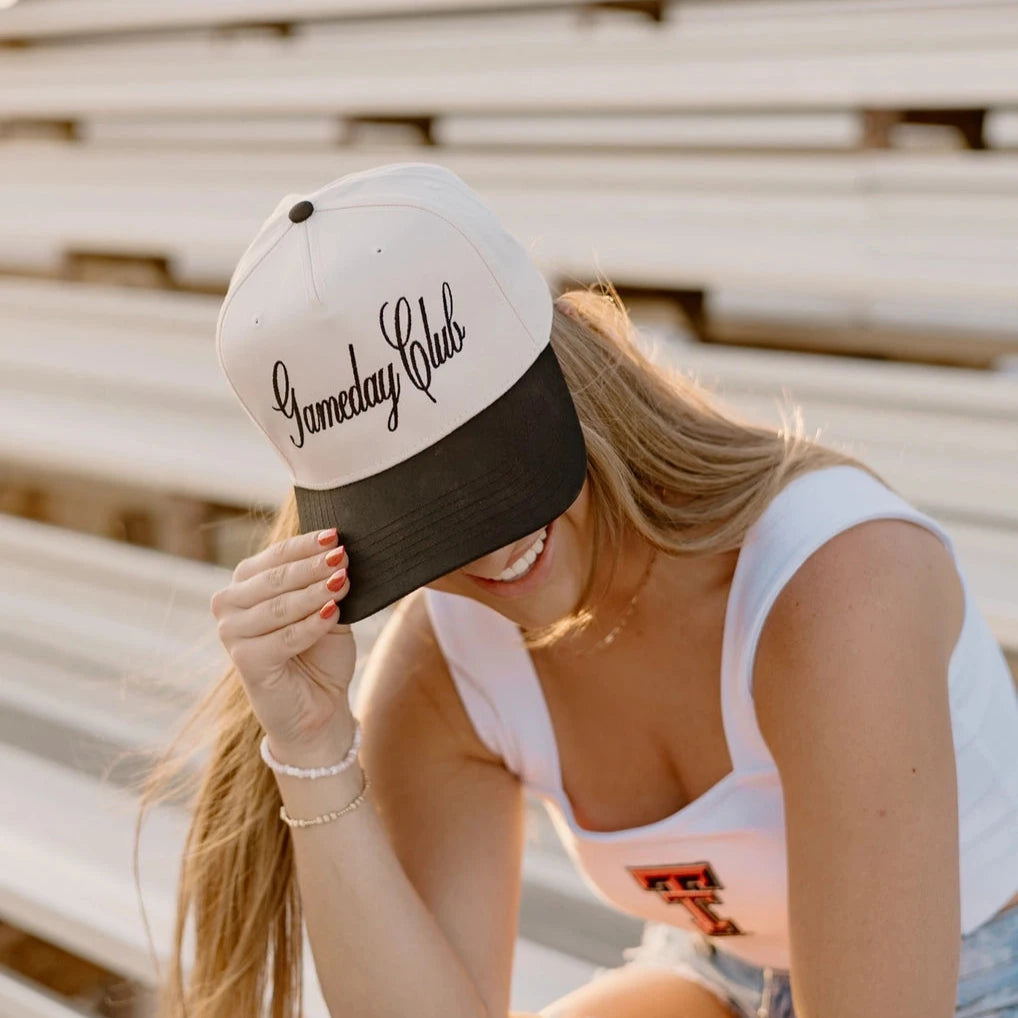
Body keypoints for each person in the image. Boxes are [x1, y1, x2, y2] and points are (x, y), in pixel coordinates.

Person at [138, 163, 1018, 1018]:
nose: (490, 551)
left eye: (491, 470)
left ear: (572, 370)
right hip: (727, 973)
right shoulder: (447, 662)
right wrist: (311, 748)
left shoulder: (838, 583)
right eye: (422, 519)